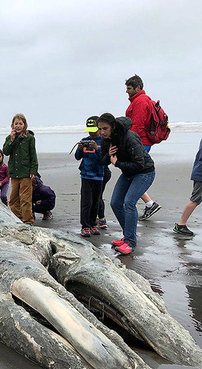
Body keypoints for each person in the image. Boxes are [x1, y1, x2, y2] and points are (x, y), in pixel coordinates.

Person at [98, 113, 155, 255]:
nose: (102, 132)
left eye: (105, 128)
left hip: (145, 172)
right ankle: (128, 236)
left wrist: (118, 163)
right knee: (115, 203)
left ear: (113, 127)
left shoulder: (130, 137)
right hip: (128, 173)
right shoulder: (106, 140)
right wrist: (108, 155)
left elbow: (139, 164)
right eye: (100, 129)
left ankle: (130, 242)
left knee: (129, 202)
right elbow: (103, 161)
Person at [125, 74, 161, 220]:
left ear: (137, 87)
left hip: (140, 143)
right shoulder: (139, 100)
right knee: (132, 175)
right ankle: (149, 203)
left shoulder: (140, 101)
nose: (126, 91)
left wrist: (130, 144)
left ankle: (148, 204)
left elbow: (137, 126)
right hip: (141, 142)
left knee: (134, 176)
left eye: (129, 88)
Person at [3, 113, 38, 225]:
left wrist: (33, 171)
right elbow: (6, 151)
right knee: (13, 199)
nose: (18, 126)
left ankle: (28, 221)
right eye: (16, 123)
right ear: (12, 125)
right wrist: (12, 140)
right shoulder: (9, 138)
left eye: (20, 123)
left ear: (24, 125)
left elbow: (33, 155)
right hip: (14, 173)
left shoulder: (29, 138)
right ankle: (17, 219)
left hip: (26, 173)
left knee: (25, 199)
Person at [75, 116, 105, 236]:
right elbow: (77, 157)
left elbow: (104, 159)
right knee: (86, 202)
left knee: (95, 202)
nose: (92, 133)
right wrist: (80, 148)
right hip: (86, 175)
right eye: (90, 130)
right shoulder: (84, 139)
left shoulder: (103, 141)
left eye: (94, 130)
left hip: (99, 175)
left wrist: (96, 148)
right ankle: (85, 226)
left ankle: (93, 224)